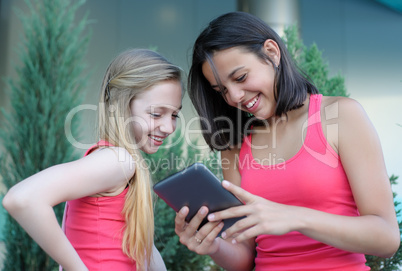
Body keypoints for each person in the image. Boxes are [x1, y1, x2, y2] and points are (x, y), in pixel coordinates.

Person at [174, 11, 400, 271]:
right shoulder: (235, 147)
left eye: (240, 78)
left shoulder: (340, 116)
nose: (234, 96)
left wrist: (295, 217)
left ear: (271, 52)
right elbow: (246, 258)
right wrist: (212, 245)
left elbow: (386, 238)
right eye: (222, 90)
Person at [3, 48, 183, 270]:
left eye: (174, 115)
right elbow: (22, 198)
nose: (169, 127)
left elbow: (140, 249)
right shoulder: (117, 161)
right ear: (122, 106)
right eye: (156, 113)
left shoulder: (121, 161)